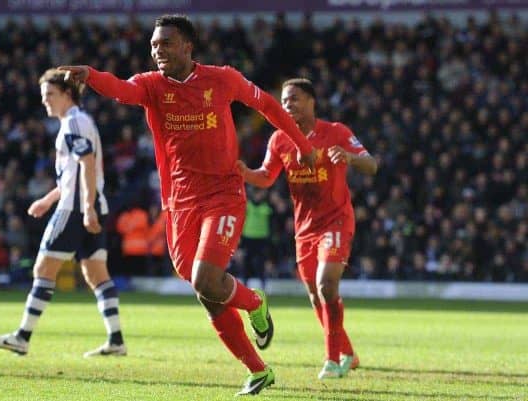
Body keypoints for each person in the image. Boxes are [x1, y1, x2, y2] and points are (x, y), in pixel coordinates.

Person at [60, 14, 316, 395]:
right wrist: (92, 76)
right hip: (180, 201)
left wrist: (303, 144)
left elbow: (268, 107)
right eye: (153, 45)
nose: (157, 51)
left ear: (187, 46)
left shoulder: (223, 78)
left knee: (205, 279)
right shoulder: (151, 86)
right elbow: (122, 90)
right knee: (205, 291)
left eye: (165, 43)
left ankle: (254, 303)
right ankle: (259, 369)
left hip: (224, 194)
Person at [237, 78, 377, 379]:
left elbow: (371, 164)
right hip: (305, 228)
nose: (288, 106)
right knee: (316, 295)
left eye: (295, 99)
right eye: (285, 101)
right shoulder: (279, 139)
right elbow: (266, 177)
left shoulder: (336, 132)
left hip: (337, 220)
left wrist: (351, 158)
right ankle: (348, 354)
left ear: (312, 102)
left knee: (327, 285)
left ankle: (331, 358)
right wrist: (246, 173)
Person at [0, 69, 127, 358]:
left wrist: (85, 209)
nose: (45, 101)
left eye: (50, 94)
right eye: (43, 96)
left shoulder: (73, 123)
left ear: (67, 94)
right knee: (96, 274)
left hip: (75, 209)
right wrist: (48, 199)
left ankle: (22, 337)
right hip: (91, 205)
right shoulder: (79, 122)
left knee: (42, 270)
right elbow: (73, 175)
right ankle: (116, 340)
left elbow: (86, 164)